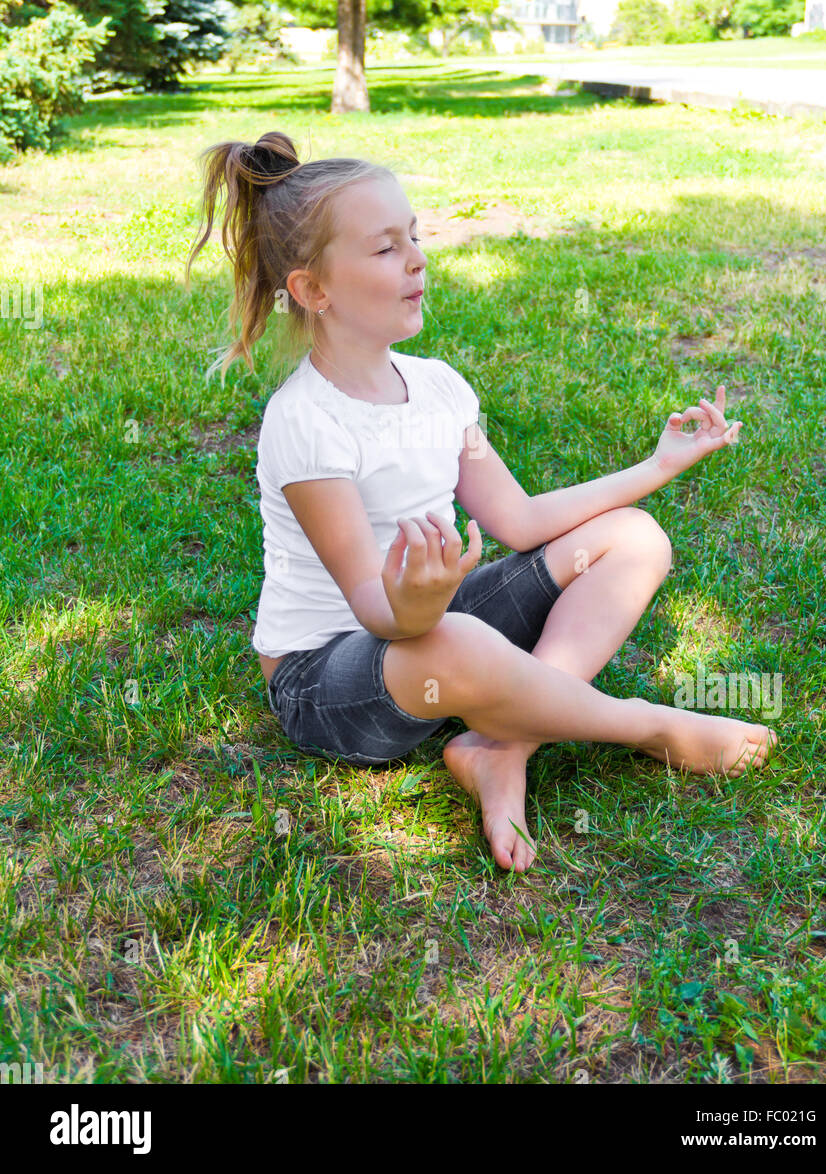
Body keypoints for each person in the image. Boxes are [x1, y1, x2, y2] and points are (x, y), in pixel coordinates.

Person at [186, 130, 778, 875]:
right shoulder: (307, 422)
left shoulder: (438, 387)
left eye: (415, 237)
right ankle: (650, 728)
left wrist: (657, 466)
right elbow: (375, 608)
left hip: (430, 621)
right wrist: (421, 603)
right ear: (312, 291)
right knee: (456, 642)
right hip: (328, 677)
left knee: (634, 539)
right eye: (385, 248)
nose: (417, 259)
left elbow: (519, 521)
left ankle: (503, 747)